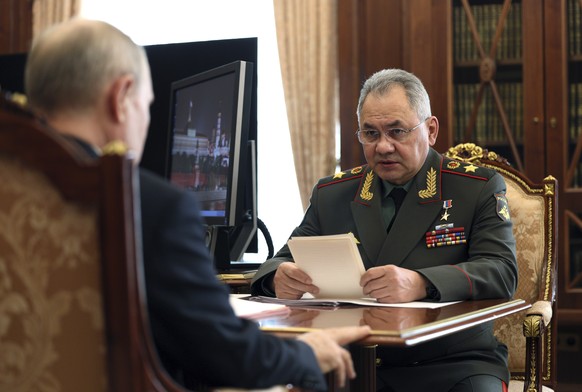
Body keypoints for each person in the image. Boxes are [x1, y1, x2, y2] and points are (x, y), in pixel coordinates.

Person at [23, 18, 371, 391]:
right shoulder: (150, 207)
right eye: (146, 105)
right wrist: (307, 352)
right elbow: (226, 356)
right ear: (120, 97)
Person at [251, 68, 518, 392]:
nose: (384, 147)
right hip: (354, 362)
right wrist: (278, 276)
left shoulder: (474, 187)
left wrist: (421, 283)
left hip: (452, 363)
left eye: (397, 131)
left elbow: (501, 271)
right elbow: (277, 262)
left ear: (430, 130)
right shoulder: (333, 194)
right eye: (371, 133)